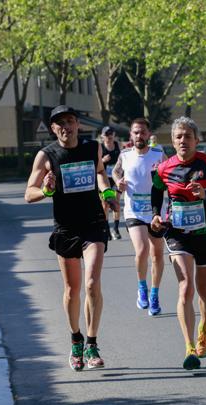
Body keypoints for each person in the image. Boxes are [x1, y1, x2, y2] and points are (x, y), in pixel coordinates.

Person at [24, 105, 119, 371]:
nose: (65, 126)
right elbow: (28, 194)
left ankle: (92, 343)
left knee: (91, 283)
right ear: (54, 129)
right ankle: (75, 340)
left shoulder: (92, 148)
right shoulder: (46, 155)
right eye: (59, 123)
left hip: (93, 224)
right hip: (66, 228)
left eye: (70, 121)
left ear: (78, 124)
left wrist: (108, 194)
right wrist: (46, 189)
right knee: (71, 289)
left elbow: (100, 172)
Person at [150, 116, 206, 370]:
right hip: (178, 234)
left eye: (188, 136)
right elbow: (156, 189)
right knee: (185, 287)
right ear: (173, 141)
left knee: (203, 290)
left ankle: (204, 322)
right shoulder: (164, 168)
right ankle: (189, 348)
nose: (183, 140)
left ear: (197, 140)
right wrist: (156, 213)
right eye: (178, 136)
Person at [113, 118, 167, 316]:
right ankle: (142, 287)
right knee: (142, 249)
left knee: (157, 254)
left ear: (148, 134)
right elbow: (115, 171)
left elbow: (170, 172)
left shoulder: (158, 154)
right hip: (134, 210)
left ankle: (154, 294)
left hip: (155, 211)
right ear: (131, 135)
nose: (139, 135)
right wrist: (118, 181)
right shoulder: (125, 154)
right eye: (136, 132)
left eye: (142, 132)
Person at [100, 126, 122, 240]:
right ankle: (107, 229)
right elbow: (94, 162)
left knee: (116, 203)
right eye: (106, 134)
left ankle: (116, 229)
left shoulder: (118, 145)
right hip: (104, 179)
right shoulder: (100, 147)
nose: (109, 136)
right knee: (105, 205)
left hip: (116, 178)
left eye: (110, 134)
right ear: (102, 136)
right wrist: (103, 160)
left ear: (114, 135)